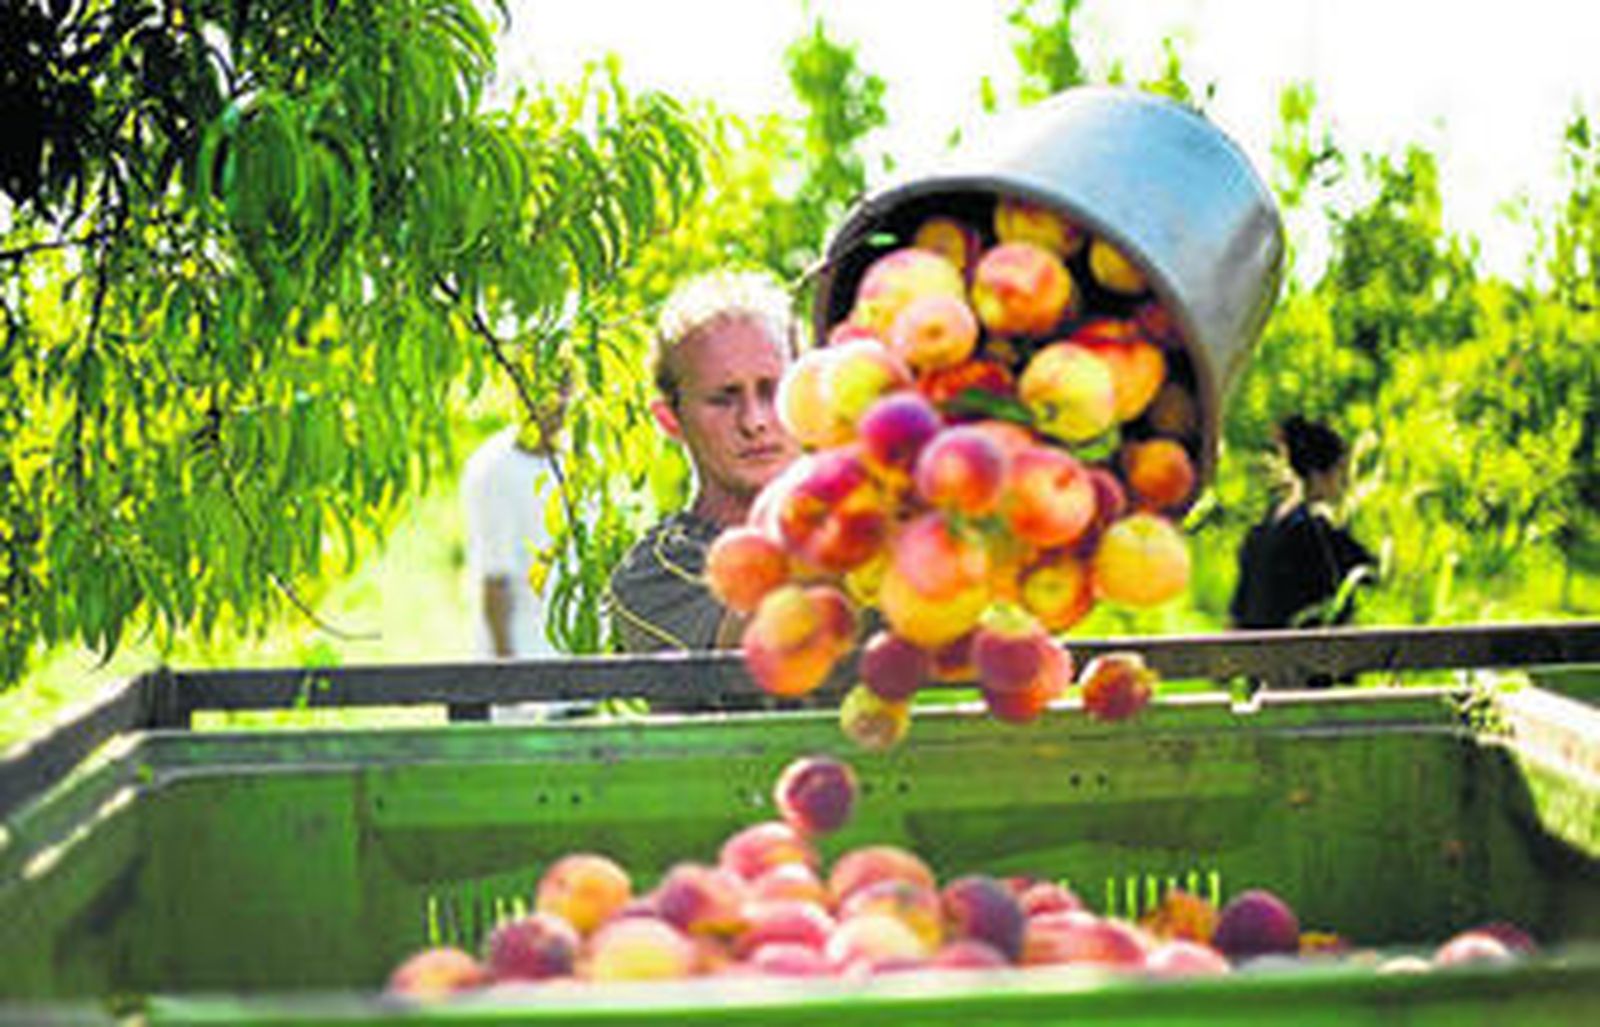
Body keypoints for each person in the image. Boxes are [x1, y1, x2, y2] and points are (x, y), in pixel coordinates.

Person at [607, 271, 802, 653]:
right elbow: (759, 649)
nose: (754, 421)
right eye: (723, 398)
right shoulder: (653, 576)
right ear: (671, 420)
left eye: (772, 389)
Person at [1230, 415, 1378, 641]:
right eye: (1341, 472)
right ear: (1319, 475)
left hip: (1262, 668)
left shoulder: (1260, 531)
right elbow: (1371, 573)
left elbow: (1237, 616)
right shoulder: (1317, 532)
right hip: (1310, 667)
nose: (1346, 483)